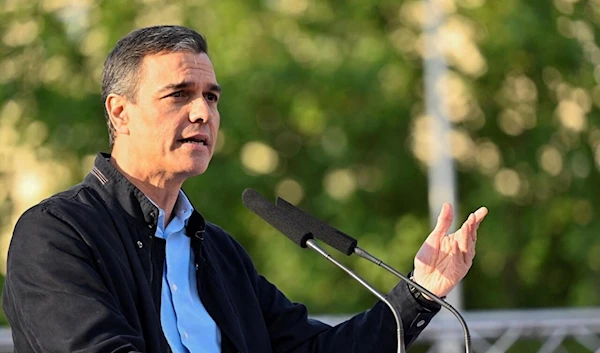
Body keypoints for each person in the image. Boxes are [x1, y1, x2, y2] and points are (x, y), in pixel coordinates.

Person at [2, 25, 488, 353]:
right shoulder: (57, 235)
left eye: (211, 97)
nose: (202, 113)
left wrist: (419, 293)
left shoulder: (218, 253)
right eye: (179, 95)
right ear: (119, 112)